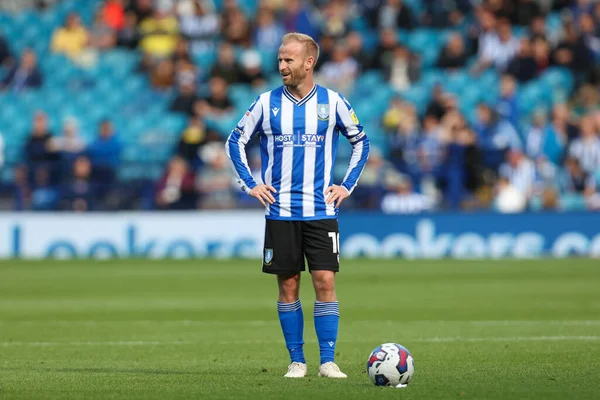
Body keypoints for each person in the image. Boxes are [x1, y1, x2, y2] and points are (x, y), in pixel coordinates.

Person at [225, 33, 370, 379]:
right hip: (281, 212)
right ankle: (297, 361)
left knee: (324, 282)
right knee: (288, 284)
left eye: (288, 60)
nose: (281, 66)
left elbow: (361, 143)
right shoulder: (265, 103)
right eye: (279, 60)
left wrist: (346, 186)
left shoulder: (333, 102)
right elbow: (236, 141)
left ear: (309, 62)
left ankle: (328, 361)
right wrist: (251, 183)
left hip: (321, 211)